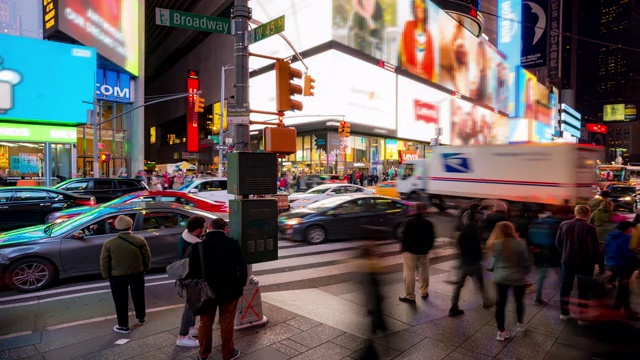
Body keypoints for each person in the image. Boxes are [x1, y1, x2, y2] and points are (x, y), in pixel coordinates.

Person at [189, 218, 247, 360]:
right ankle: (227, 353)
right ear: (224, 229)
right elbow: (242, 267)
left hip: (206, 293)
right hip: (230, 291)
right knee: (226, 323)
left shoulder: (198, 247)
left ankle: (203, 354)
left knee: (205, 322)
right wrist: (241, 284)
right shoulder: (233, 244)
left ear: (209, 227)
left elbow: (193, 271)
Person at [99, 215, 151, 334]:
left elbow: (104, 261)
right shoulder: (139, 240)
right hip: (137, 273)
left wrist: (106, 275)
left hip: (117, 276)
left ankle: (123, 325)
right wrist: (145, 268)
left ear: (117, 228)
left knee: (120, 300)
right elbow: (146, 257)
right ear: (130, 226)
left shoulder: (109, 243)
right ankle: (141, 317)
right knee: (139, 296)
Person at [488, 222, 532, 341]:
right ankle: (520, 324)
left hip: (501, 277)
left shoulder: (495, 244)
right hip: (517, 278)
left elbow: (495, 262)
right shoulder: (520, 243)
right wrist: (525, 274)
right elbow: (526, 263)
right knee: (519, 301)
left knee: (500, 304)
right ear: (511, 230)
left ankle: (500, 332)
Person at [555, 205, 599, 323]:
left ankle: (564, 313)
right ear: (588, 214)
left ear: (575, 213)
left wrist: (565, 252)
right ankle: (583, 317)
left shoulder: (564, 224)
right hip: (585, 264)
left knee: (566, 286)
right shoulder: (590, 228)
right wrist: (595, 261)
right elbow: (593, 248)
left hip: (567, 261)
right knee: (584, 289)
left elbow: (558, 243)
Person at [448, 208, 492, 317]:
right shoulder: (478, 235)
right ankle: (486, 302)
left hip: (464, 264)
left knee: (458, 286)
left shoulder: (462, 235)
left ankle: (453, 306)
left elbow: (458, 248)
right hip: (475, 265)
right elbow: (481, 251)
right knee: (481, 284)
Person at [176, 215, 207, 348]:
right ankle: (182, 336)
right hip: (192, 279)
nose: (205, 229)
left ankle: (191, 327)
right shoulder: (196, 245)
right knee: (189, 306)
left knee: (193, 304)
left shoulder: (184, 235)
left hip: (185, 276)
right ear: (198, 230)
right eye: (203, 228)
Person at [399, 202, 435, 303]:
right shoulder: (428, 223)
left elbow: (404, 238)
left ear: (415, 210)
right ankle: (424, 292)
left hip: (410, 252)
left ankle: (410, 296)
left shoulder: (409, 222)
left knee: (409, 273)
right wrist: (427, 248)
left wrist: (405, 248)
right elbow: (432, 238)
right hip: (423, 252)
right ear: (425, 210)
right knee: (424, 271)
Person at [604, 221, 639, 317]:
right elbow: (628, 255)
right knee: (623, 287)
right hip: (623, 265)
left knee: (622, 287)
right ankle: (622, 309)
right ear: (628, 229)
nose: (633, 230)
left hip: (611, 263)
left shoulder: (610, 235)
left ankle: (622, 306)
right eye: (632, 228)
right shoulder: (626, 238)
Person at [527, 213, 562, 305]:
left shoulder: (537, 225)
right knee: (561, 276)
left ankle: (537, 298)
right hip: (555, 253)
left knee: (540, 276)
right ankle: (563, 298)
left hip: (540, 253)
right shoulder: (557, 225)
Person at [398, 0, 434, 81]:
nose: (420, 8)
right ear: (414, 9)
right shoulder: (408, 26)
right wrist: (414, 72)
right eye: (417, 6)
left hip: (424, 83)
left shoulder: (429, 35)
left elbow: (431, 69)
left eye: (422, 5)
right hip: (408, 78)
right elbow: (402, 60)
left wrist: (425, 78)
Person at [588, 200, 616, 275]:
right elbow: (617, 225)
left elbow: (590, 223)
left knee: (600, 253)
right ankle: (609, 268)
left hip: (598, 234)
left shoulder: (595, 213)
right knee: (609, 252)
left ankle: (601, 268)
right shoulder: (613, 214)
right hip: (609, 236)